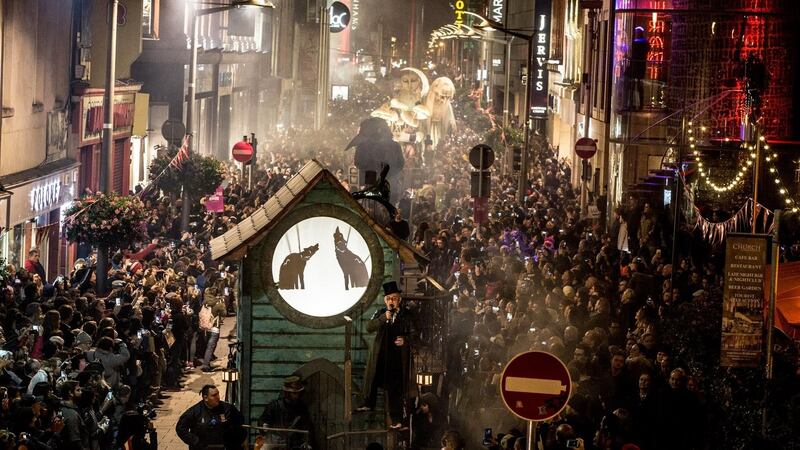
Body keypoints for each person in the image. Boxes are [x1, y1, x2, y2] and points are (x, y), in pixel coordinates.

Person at [359, 281, 412, 429]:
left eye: (394, 298)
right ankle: (368, 403)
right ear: (385, 300)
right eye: (389, 299)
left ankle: (397, 420)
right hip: (381, 355)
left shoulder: (406, 314)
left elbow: (416, 333)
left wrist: (406, 340)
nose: (391, 301)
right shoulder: (381, 313)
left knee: (395, 389)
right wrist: (384, 318)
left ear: (399, 299)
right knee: (374, 379)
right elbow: (369, 327)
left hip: (397, 357)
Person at [175, 384, 246, 450]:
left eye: (218, 394)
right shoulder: (195, 412)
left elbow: (240, 423)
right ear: (205, 398)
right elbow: (181, 428)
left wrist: (234, 443)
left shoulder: (228, 409)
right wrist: (195, 441)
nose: (218, 397)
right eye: (214, 395)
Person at [257, 376, 313, 449]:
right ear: (287, 393)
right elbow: (263, 420)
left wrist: (307, 443)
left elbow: (307, 426)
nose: (297, 396)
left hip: (294, 443)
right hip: (275, 441)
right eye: (294, 393)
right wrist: (264, 425)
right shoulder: (274, 406)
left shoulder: (301, 408)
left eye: (298, 393)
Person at [624, 27, 650, 111]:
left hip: (636, 66)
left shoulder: (637, 43)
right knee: (638, 86)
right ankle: (639, 105)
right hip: (640, 66)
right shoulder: (645, 43)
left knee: (633, 86)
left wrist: (629, 58)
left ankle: (632, 104)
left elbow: (634, 55)